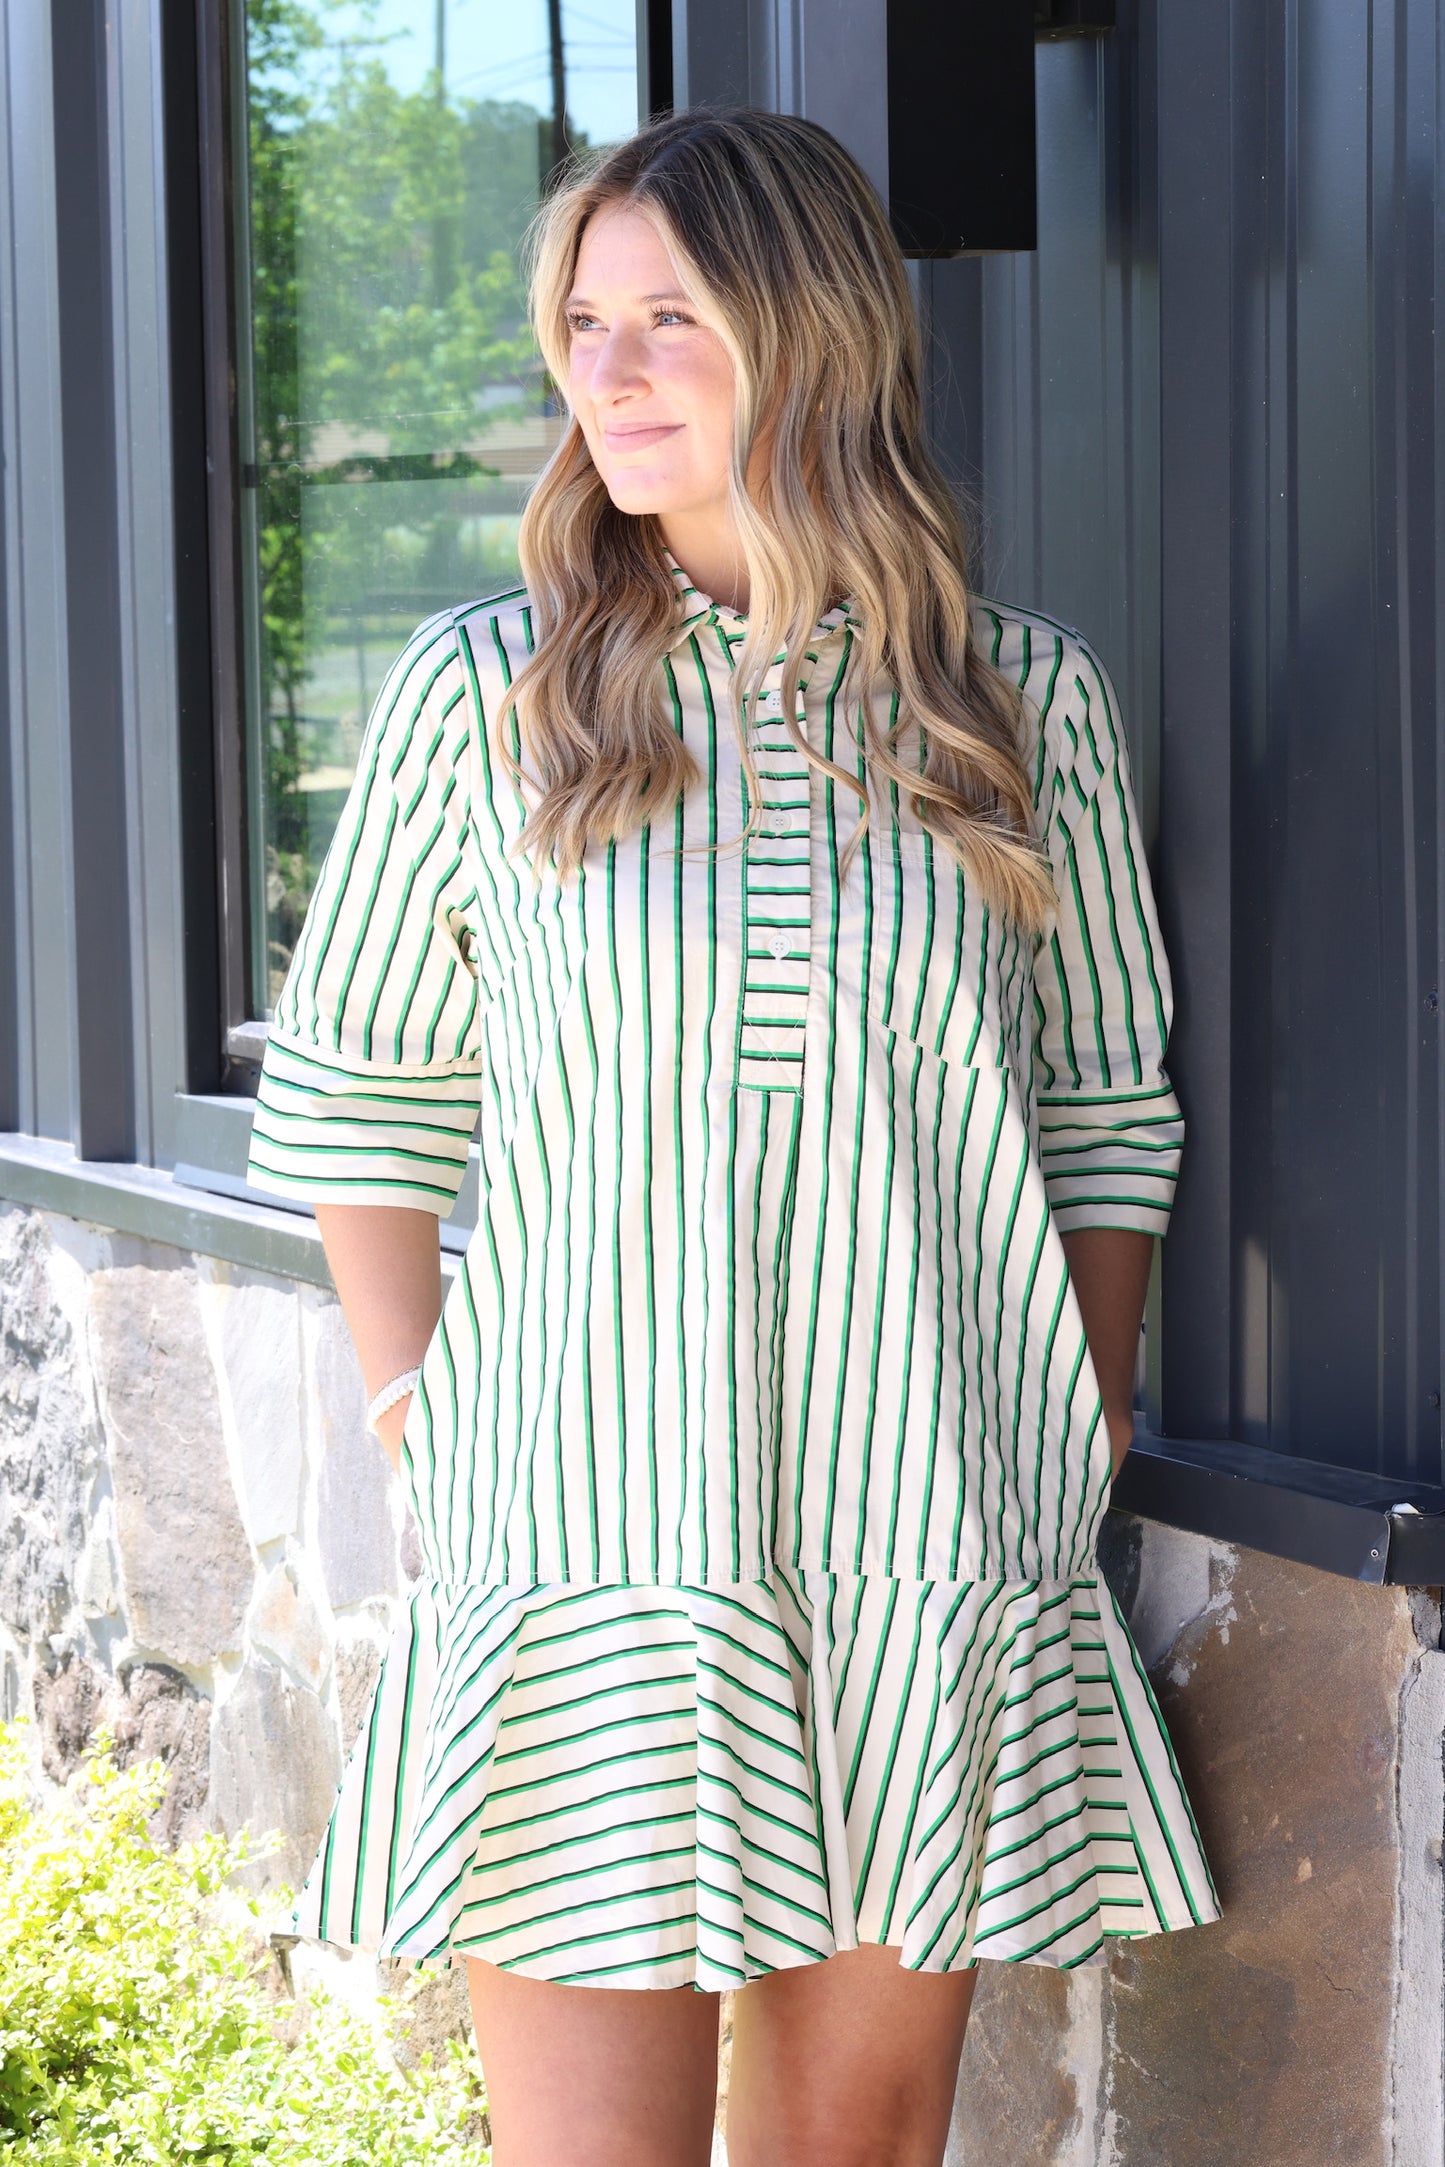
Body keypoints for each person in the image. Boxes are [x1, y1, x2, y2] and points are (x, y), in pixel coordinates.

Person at [246, 107, 1219, 2167]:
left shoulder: (1020, 709)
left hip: (920, 1540)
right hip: (587, 1542)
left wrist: (1088, 1412)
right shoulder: (487, 698)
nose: (605, 370)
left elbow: (1107, 1106)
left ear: (815, 340)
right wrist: (420, 1398)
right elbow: (362, 1086)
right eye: (583, 322)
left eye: (667, 318)